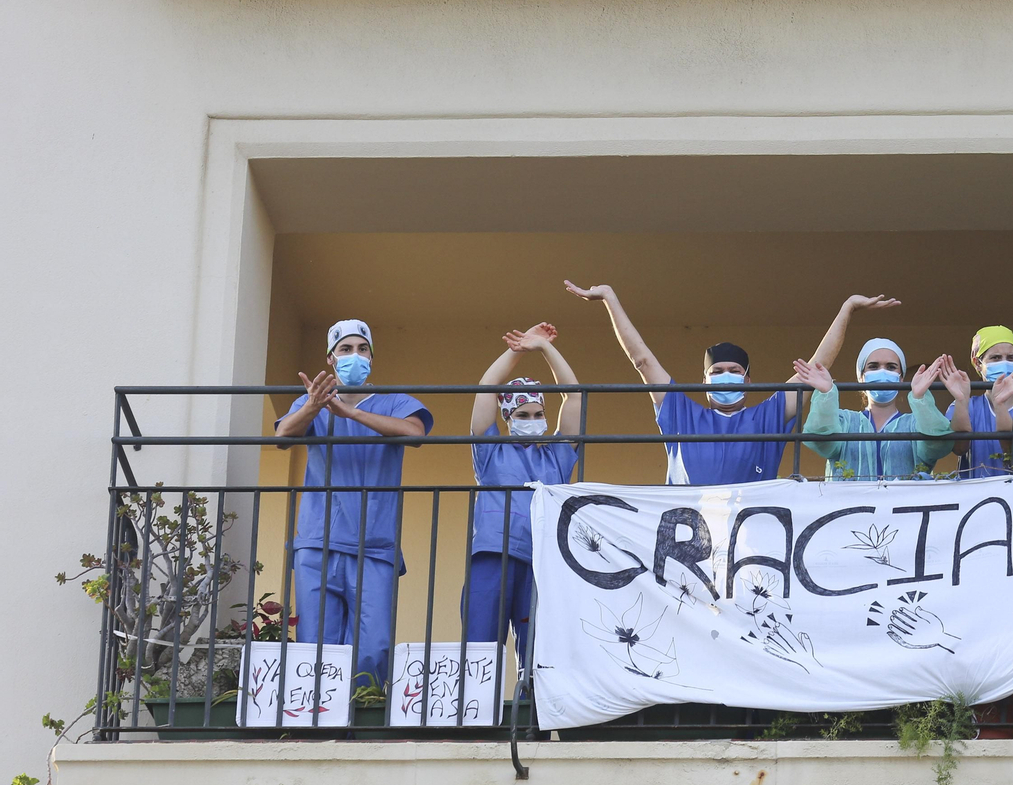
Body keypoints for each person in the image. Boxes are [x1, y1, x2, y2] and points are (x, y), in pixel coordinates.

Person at [565, 280, 900, 484]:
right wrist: (610, 298)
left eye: (735, 372)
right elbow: (642, 361)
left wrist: (847, 309)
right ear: (704, 380)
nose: (726, 377)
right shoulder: (681, 413)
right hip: (689, 533)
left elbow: (817, 369)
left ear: (748, 379)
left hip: (750, 536)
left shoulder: (767, 417)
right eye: (717, 372)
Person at [274, 319, 433, 688]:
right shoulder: (311, 401)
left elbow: (415, 432)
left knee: (373, 648)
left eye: (363, 350)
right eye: (346, 350)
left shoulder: (394, 402)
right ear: (331, 359)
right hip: (318, 542)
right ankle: (320, 727)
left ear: (372, 358)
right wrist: (314, 406)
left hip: (374, 545)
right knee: (317, 646)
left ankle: (361, 730)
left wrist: (352, 413)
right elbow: (283, 436)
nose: (355, 357)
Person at [461, 322, 579, 662]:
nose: (532, 419)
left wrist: (544, 347)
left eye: (539, 413)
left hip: (543, 559)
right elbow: (486, 388)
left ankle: (533, 715)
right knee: (479, 648)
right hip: (492, 555)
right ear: (507, 417)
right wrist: (517, 349)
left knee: (539, 650)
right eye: (522, 414)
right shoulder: (491, 451)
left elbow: (574, 395)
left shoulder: (556, 456)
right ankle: (477, 714)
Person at [793, 340, 957, 480]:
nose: (882, 372)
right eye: (873, 366)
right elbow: (820, 442)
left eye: (891, 367)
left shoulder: (915, 423)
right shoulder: (844, 421)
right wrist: (826, 395)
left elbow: (938, 446)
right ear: (861, 377)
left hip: (905, 515)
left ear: (901, 378)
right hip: (851, 514)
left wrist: (920, 399)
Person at [947, 325, 1013, 478]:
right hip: (976, 497)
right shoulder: (969, 406)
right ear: (978, 363)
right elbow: (958, 449)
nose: (1005, 363)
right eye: (995, 358)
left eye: (1011, 358)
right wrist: (961, 401)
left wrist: (1000, 406)